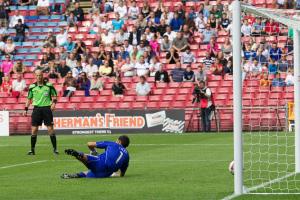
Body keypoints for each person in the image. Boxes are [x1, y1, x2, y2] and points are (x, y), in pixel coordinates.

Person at [61, 135, 130, 179]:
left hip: (100, 163)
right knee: (91, 173)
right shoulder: (127, 155)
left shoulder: (113, 144)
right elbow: (122, 173)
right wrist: (116, 174)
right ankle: (76, 175)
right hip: (106, 173)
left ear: (119, 141)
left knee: (87, 158)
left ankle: (79, 155)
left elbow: (89, 144)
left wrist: (94, 152)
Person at [24, 70, 58, 155]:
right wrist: (26, 109)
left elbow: (54, 95)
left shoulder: (49, 85)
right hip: (36, 109)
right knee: (34, 129)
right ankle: (32, 150)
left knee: (50, 129)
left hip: (47, 109)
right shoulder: (32, 87)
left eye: (40, 75)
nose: (39, 77)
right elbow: (29, 99)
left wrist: (54, 103)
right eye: (37, 75)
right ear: (35, 76)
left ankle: (55, 149)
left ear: (42, 76)